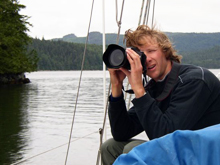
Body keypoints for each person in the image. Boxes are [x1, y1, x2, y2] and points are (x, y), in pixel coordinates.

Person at [101, 25, 220, 165]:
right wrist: (116, 86)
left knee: (131, 149)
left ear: (165, 52)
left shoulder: (194, 81)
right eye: (141, 54)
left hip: (207, 155)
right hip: (184, 152)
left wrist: (139, 89)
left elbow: (166, 139)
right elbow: (121, 132)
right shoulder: (155, 88)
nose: (147, 58)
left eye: (151, 51)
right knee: (110, 147)